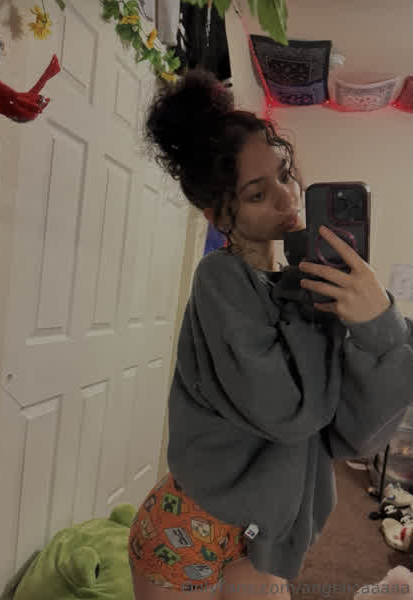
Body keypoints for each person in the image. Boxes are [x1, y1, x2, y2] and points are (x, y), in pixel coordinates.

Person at [127, 68, 413, 600]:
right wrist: (320, 310)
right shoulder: (221, 278)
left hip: (268, 532)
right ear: (217, 214)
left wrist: (378, 326)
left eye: (285, 174)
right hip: (191, 529)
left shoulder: (297, 287)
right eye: (259, 193)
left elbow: (353, 434)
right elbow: (290, 413)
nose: (287, 198)